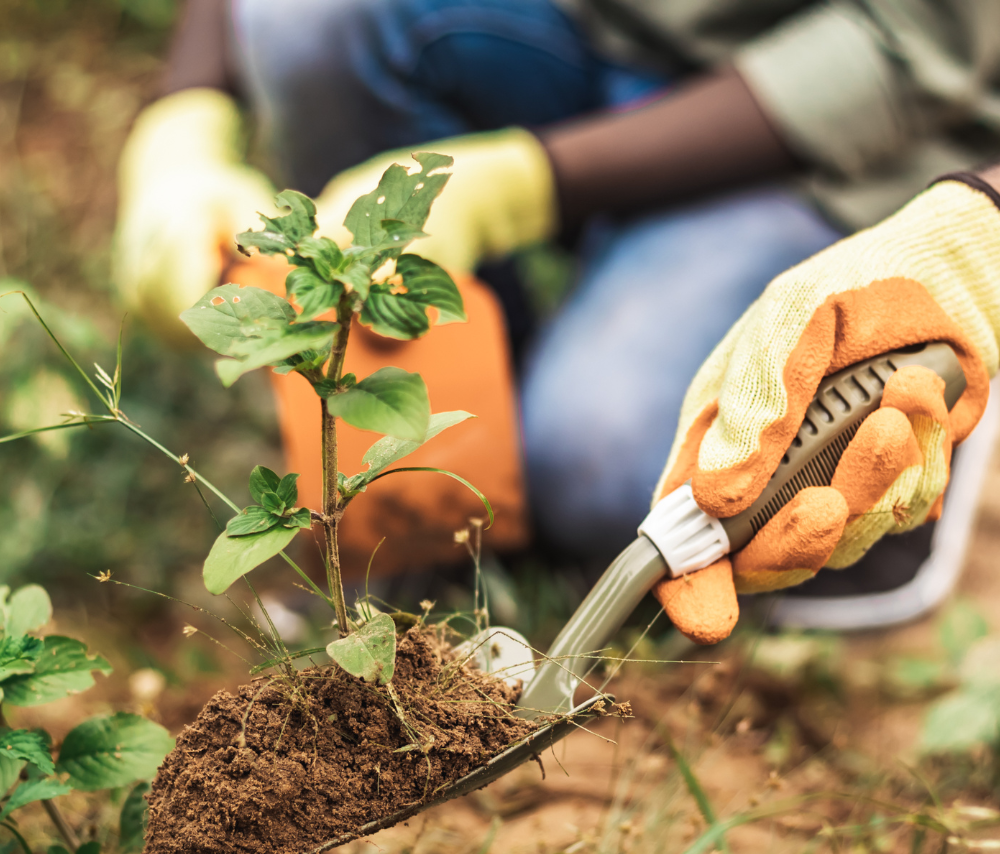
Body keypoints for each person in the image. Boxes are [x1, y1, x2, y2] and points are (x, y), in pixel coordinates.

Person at [114, 0, 1000, 641]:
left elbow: (903, 46)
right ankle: (437, 503)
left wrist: (526, 186)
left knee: (603, 473)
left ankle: (917, 367)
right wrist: (182, 123)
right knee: (303, 18)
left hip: (835, 133)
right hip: (571, 28)